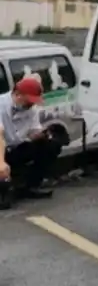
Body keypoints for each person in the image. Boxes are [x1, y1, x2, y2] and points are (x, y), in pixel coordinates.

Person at [0, 77, 61, 209]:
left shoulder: (31, 110)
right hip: (1, 148)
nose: (31, 105)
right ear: (17, 94)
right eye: (29, 101)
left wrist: (42, 135)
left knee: (51, 145)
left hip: (17, 147)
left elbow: (34, 130)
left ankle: (31, 185)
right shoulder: (1, 105)